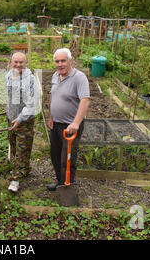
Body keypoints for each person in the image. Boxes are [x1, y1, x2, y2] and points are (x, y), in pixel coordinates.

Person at [46, 48, 90, 191]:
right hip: (56, 123)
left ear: (70, 61)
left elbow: (85, 101)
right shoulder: (55, 76)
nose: (60, 64)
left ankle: (68, 185)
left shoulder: (79, 77)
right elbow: (53, 96)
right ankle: (60, 181)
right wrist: (50, 117)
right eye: (57, 61)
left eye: (63, 61)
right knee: (55, 154)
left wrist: (76, 123)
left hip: (70, 126)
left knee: (68, 157)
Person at [5, 52, 39, 192]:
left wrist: (19, 119)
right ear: (11, 62)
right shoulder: (9, 75)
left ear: (26, 63)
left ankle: (16, 180)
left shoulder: (30, 80)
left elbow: (31, 104)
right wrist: (8, 111)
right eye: (15, 62)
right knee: (13, 146)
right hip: (11, 118)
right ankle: (24, 169)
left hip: (24, 120)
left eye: (21, 62)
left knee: (22, 149)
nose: (18, 65)